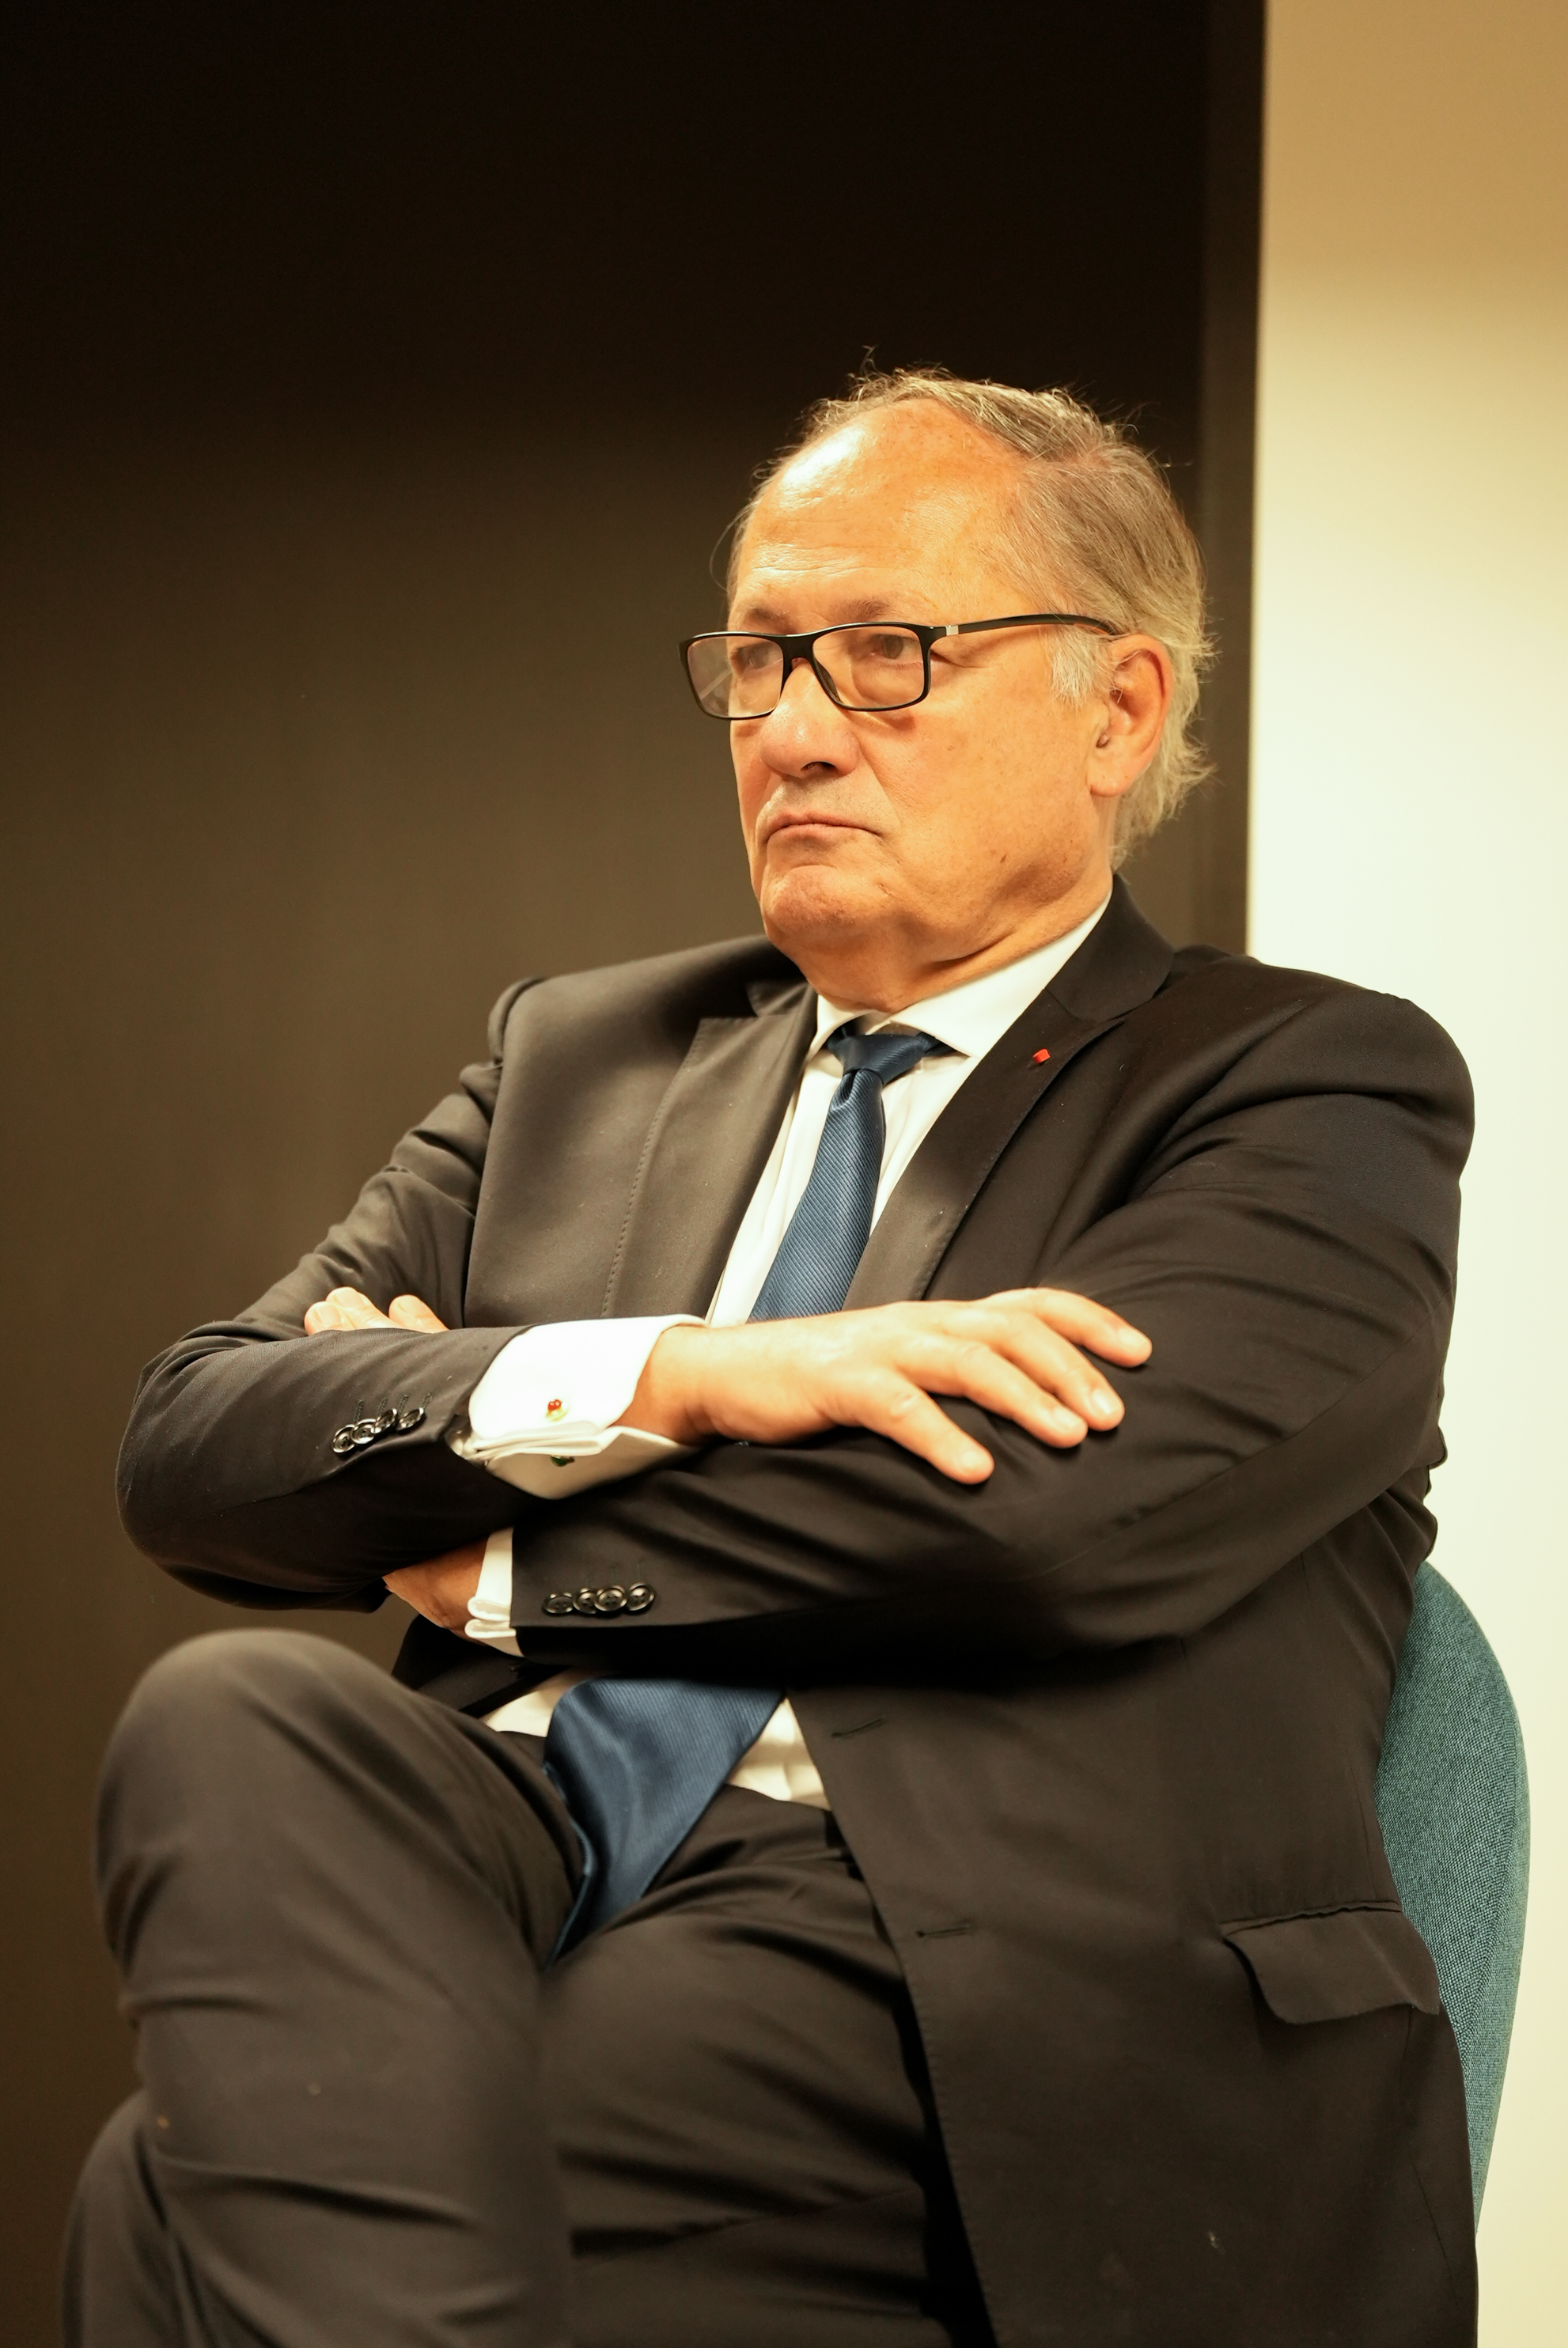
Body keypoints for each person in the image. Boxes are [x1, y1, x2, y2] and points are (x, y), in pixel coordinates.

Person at [66, 372, 1476, 2348]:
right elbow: (201, 1443)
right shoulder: (581, 1058)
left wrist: (512, 1546)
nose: (796, 729)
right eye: (759, 659)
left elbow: (1032, 1525)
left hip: (945, 1934)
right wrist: (680, 1373)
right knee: (232, 1714)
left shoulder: (1301, 1085)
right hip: (506, 1827)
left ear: (1117, 709)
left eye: (890, 653)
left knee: (167, 2198)